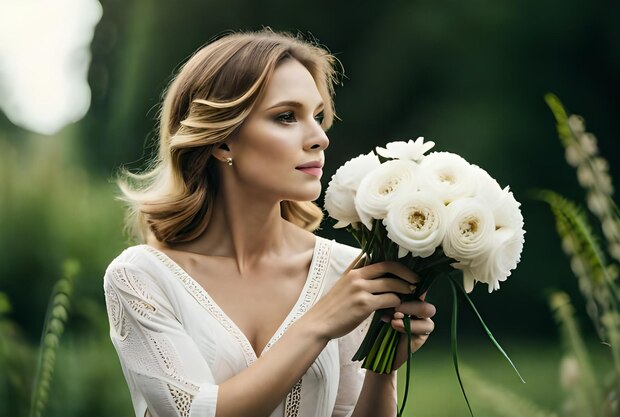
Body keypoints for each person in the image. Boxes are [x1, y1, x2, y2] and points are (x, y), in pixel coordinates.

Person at [103, 28, 436, 417]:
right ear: (223, 141)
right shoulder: (140, 278)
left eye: (317, 116)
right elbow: (193, 411)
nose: (319, 138)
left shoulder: (346, 270)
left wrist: (382, 367)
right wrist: (320, 323)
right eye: (285, 117)